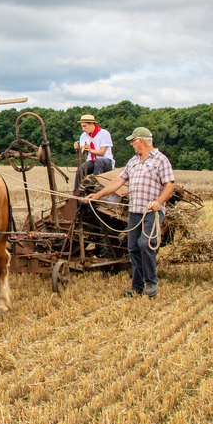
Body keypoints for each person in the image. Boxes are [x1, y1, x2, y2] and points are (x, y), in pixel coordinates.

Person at [86, 127, 175, 299]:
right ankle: (137, 286)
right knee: (133, 248)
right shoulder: (133, 161)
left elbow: (169, 186)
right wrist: (98, 195)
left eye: (133, 141)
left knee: (145, 244)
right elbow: (119, 181)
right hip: (134, 211)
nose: (132, 144)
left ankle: (151, 283)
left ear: (140, 141)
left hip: (151, 212)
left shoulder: (160, 160)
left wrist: (158, 202)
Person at [73, 114, 114, 193]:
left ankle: (96, 189)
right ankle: (76, 193)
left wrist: (91, 150)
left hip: (106, 161)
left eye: (85, 126)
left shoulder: (104, 134)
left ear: (92, 124)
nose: (83, 129)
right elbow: (82, 149)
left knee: (98, 162)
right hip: (92, 160)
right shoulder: (84, 136)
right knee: (80, 170)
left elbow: (102, 152)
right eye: (82, 126)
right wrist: (78, 148)